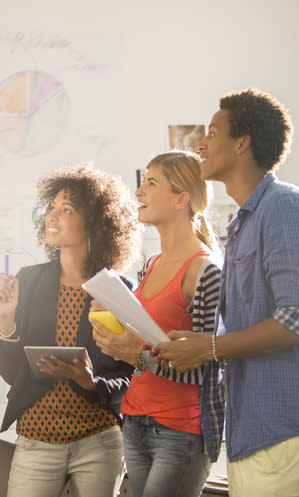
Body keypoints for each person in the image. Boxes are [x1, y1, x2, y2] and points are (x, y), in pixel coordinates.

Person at [153, 88, 299, 497]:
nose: (200, 144)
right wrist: (201, 342)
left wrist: (210, 348)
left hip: (278, 423)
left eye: (213, 132)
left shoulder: (285, 207)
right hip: (251, 424)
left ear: (242, 143)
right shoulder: (244, 221)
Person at [0, 163, 140, 497]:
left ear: (96, 223)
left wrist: (92, 382)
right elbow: (12, 373)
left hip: (99, 442)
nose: (51, 217)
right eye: (51, 208)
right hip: (37, 440)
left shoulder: (120, 290)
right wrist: (5, 319)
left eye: (66, 209)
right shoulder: (28, 280)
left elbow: (132, 375)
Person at [92, 150, 221, 497]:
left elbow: (210, 365)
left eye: (151, 183)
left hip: (180, 430)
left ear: (182, 198)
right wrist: (113, 326)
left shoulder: (205, 271)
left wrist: (135, 354)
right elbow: (145, 342)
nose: (138, 192)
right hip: (134, 422)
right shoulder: (150, 264)